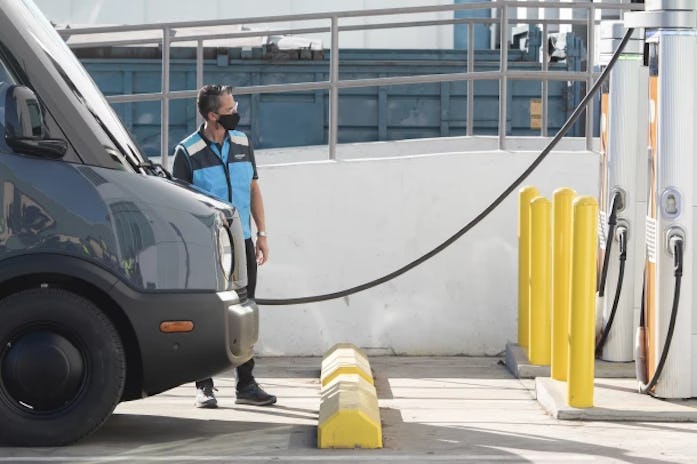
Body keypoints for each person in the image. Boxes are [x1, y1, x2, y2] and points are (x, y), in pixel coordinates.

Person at [172, 84, 276, 408]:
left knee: (245, 312)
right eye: (230, 110)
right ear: (212, 115)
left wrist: (262, 234)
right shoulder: (187, 152)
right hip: (208, 247)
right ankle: (204, 385)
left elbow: (254, 189)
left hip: (242, 242)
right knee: (206, 316)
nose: (236, 114)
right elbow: (179, 205)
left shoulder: (243, 143)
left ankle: (246, 384)